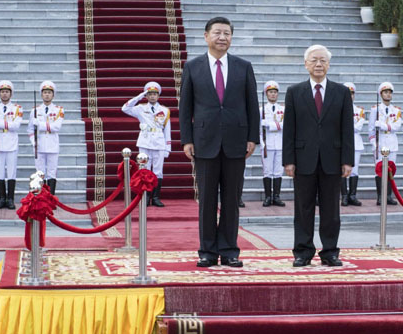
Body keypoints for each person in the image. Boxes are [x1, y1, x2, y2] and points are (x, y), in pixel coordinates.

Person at [179, 17, 260, 268]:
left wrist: (253, 137)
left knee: (231, 199)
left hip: (237, 142)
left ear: (231, 38)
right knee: (207, 200)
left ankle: (229, 250)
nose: (222, 37)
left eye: (226, 33)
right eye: (217, 33)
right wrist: (187, 139)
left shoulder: (243, 66)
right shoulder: (193, 67)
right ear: (206, 36)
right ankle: (207, 251)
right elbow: (185, 107)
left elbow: (252, 105)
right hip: (204, 141)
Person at [283, 45, 354, 267]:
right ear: (306, 64)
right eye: (314, 60)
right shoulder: (294, 92)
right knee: (303, 209)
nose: (318, 64)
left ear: (329, 64)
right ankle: (302, 252)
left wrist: (347, 160)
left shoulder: (341, 92)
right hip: (303, 159)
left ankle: (330, 251)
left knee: (331, 209)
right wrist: (289, 160)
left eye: (323, 60)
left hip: (332, 159)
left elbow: (347, 129)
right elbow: (289, 129)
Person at [122, 81, 171, 207]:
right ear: (146, 96)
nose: (152, 96)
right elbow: (125, 108)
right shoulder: (141, 108)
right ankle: (145, 196)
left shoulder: (164, 110)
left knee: (158, 171)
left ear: (158, 95)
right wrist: (139, 96)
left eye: (155, 94)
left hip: (159, 142)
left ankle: (155, 197)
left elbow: (167, 130)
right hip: (145, 140)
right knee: (145, 169)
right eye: (149, 94)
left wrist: (167, 148)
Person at [0, 80, 23, 210]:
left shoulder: (17, 108)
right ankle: (1, 198)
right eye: (2, 92)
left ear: (11, 94)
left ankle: (10, 199)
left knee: (11, 172)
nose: (4, 94)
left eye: (7, 92)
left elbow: (16, 125)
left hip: (11, 142)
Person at [368, 82, 402, 206]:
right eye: (385, 92)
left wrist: (383, 125)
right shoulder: (375, 109)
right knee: (379, 170)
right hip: (380, 141)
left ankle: (388, 196)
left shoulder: (396, 110)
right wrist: (373, 143)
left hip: (392, 141)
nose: (388, 94)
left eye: (389, 92)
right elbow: (371, 129)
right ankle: (380, 196)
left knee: (390, 170)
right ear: (381, 94)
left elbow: (397, 126)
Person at [28, 81, 64, 195]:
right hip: (40, 143)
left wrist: (40, 124)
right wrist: (34, 142)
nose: (47, 95)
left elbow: (56, 127)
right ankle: (40, 198)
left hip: (52, 144)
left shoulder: (59, 110)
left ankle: (50, 198)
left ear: (53, 95)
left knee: (52, 172)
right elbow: (29, 129)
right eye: (45, 92)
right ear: (41, 94)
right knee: (40, 172)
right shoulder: (35, 111)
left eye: (49, 92)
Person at [260, 80, 285, 207]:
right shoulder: (261, 110)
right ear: (266, 94)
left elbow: (285, 125)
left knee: (278, 171)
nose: (273, 94)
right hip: (267, 145)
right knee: (268, 171)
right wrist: (261, 143)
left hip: (280, 144)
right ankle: (268, 197)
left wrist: (269, 125)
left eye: (275, 92)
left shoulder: (283, 109)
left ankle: (277, 196)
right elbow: (258, 129)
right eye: (270, 92)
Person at [341, 82, 364, 207]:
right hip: (342, 143)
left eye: (352, 93)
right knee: (343, 170)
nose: (350, 96)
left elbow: (358, 127)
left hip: (356, 142)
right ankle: (344, 195)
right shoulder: (337, 108)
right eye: (348, 93)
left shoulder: (359, 110)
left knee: (354, 171)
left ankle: (352, 195)